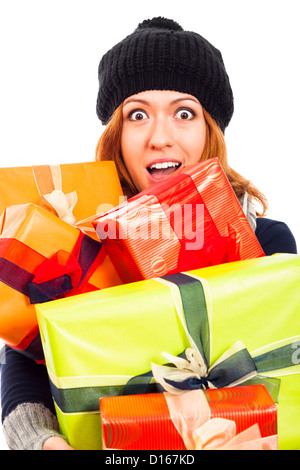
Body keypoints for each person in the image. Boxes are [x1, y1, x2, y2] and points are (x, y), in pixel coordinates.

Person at [0, 16, 297, 451]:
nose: (160, 137)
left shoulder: (269, 246)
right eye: (137, 114)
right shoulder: (75, 249)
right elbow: (26, 362)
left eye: (184, 112)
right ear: (116, 136)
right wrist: (43, 443)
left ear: (209, 130)